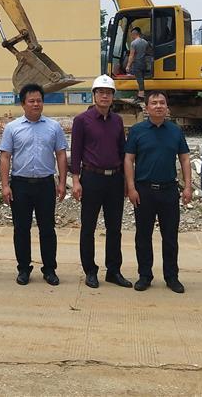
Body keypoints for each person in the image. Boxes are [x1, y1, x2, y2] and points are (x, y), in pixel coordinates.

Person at [0, 83, 68, 286]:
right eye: (31, 101)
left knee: (47, 229)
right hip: (20, 185)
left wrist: (62, 182)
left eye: (39, 100)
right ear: (23, 104)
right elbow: (5, 157)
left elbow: (61, 155)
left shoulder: (54, 127)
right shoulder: (12, 128)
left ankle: (49, 269)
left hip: (45, 184)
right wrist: (5, 185)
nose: (36, 104)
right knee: (21, 229)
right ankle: (23, 269)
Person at [125, 90, 193, 293]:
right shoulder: (137, 131)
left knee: (170, 237)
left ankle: (172, 277)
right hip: (144, 190)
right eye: (154, 103)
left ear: (167, 107)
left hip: (168, 190)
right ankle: (145, 275)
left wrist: (188, 186)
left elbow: (184, 158)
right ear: (146, 108)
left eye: (162, 102)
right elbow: (129, 159)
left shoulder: (175, 131)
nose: (158, 106)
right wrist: (131, 187)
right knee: (143, 236)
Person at [71, 75, 132, 289]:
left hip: (114, 179)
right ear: (94, 95)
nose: (105, 96)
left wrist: (126, 181)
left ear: (113, 96)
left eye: (108, 93)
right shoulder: (82, 120)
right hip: (91, 178)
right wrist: (75, 180)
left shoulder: (117, 121)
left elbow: (122, 151)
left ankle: (113, 270)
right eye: (101, 92)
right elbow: (76, 152)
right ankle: (90, 270)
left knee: (114, 228)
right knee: (88, 227)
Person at [125, 26, 148, 100]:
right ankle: (140, 94)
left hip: (137, 63)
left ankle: (141, 95)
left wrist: (128, 66)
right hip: (144, 63)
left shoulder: (133, 43)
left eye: (131, 35)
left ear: (134, 34)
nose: (131, 37)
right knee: (142, 79)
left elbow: (131, 55)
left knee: (139, 80)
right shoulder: (145, 42)